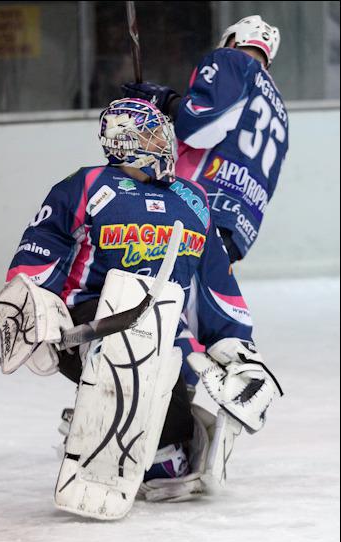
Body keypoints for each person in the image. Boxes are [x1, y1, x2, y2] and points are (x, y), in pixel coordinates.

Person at [0, 98, 281, 514]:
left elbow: (215, 284)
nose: (165, 140)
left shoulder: (193, 199)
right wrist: (35, 310)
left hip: (161, 335)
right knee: (132, 352)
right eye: (153, 133)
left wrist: (237, 348)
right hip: (88, 325)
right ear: (127, 142)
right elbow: (40, 250)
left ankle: (133, 432)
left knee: (171, 454)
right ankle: (108, 421)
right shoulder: (87, 186)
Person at [122, 15, 289, 391]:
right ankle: (192, 399)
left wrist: (164, 102)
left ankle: (168, 398)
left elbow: (200, 128)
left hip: (191, 210)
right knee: (189, 312)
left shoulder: (231, 61)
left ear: (232, 40)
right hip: (234, 228)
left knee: (152, 303)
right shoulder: (278, 107)